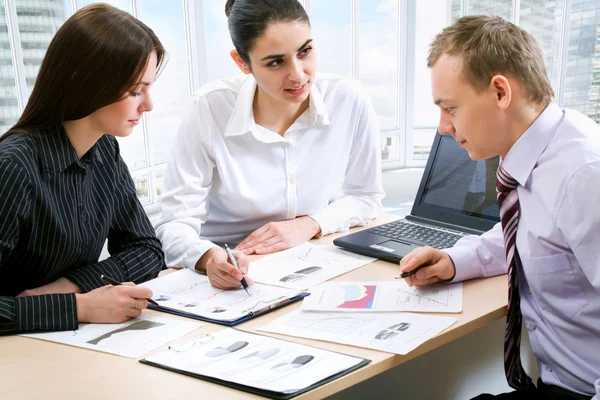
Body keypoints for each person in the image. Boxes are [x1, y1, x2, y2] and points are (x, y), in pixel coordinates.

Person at [399, 15, 599, 399]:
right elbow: (529, 229)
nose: (442, 126)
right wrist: (455, 261)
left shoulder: (585, 176)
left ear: (500, 93)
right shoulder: (531, 151)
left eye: (450, 108)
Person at [156, 0, 384, 290]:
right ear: (242, 62)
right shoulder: (210, 108)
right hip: (232, 273)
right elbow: (173, 225)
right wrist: (208, 257)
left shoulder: (348, 98)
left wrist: (310, 224)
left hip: (315, 258)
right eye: (275, 62)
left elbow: (366, 196)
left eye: (305, 51)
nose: (298, 74)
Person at [0, 3, 167, 335]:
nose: (148, 105)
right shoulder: (13, 165)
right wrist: (81, 307)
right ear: (85, 82)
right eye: (135, 90)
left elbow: (146, 250)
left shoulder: (104, 148)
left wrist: (71, 286)